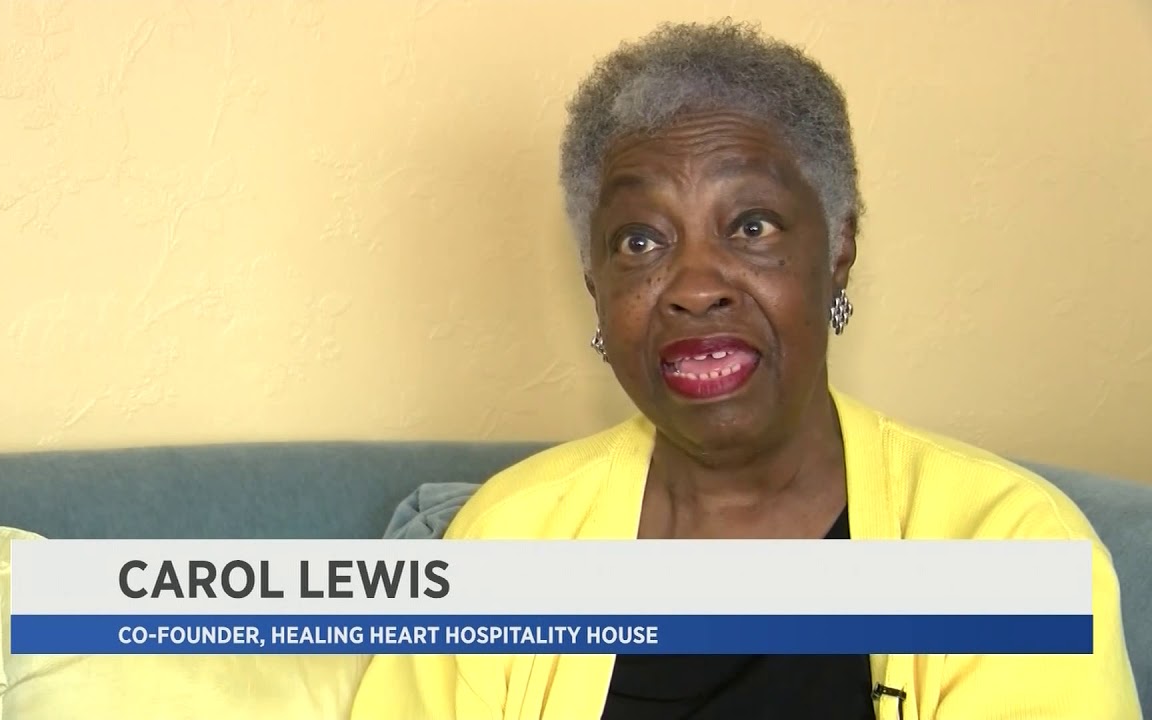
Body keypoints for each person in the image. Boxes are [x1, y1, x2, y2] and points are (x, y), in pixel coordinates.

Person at [350, 19, 1141, 720]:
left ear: (838, 250)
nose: (696, 288)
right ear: (596, 285)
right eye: (640, 242)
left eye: (752, 226)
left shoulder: (1005, 546)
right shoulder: (505, 540)